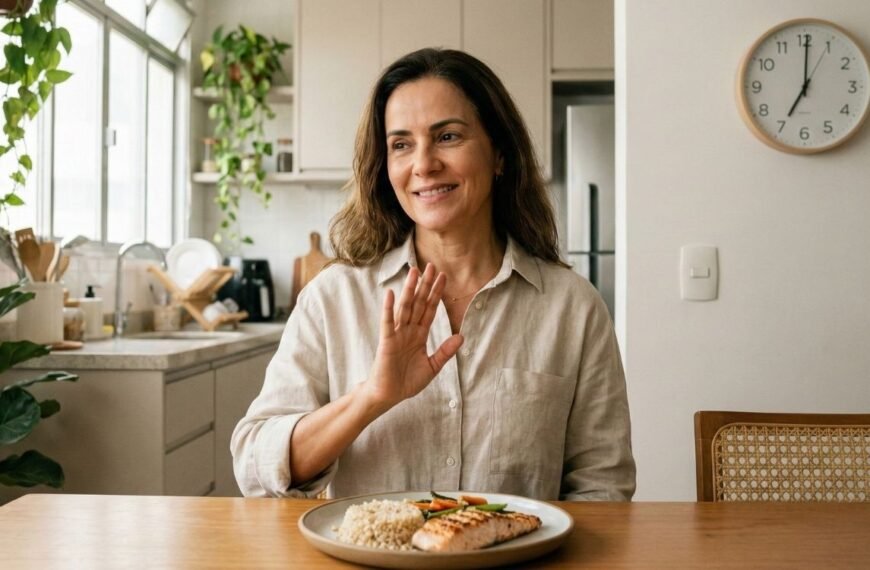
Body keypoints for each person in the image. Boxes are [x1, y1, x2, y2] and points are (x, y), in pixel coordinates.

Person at [231, 48, 635, 501]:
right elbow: (255, 467)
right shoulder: (332, 298)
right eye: (401, 145)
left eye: (447, 136)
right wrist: (371, 397)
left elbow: (604, 485)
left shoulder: (573, 307)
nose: (423, 164)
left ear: (499, 153)